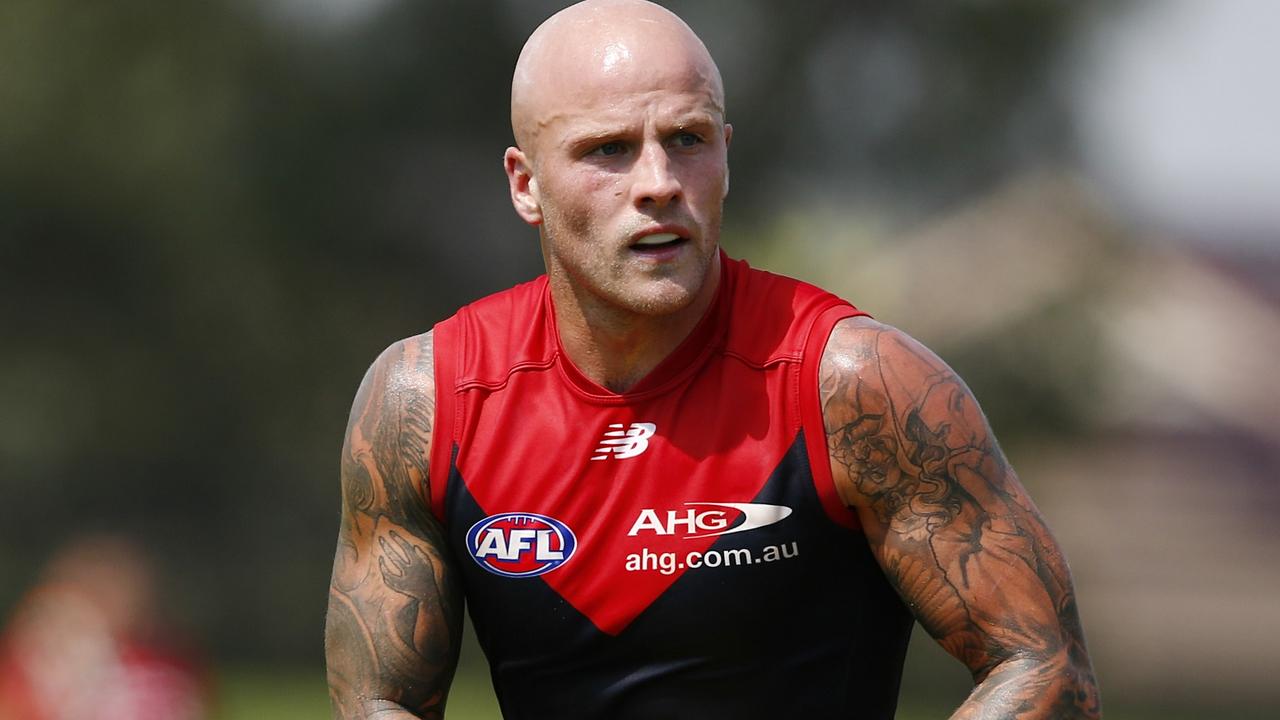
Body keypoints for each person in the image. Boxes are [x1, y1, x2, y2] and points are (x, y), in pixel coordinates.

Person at [324, 1, 1101, 718]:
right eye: (609, 151)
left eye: (687, 140)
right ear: (526, 185)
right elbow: (377, 705)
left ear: (726, 154)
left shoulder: (857, 386)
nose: (659, 184)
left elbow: (1042, 665)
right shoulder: (426, 402)